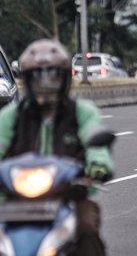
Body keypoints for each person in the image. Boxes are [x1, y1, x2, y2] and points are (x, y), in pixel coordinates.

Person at [0, 39, 114, 255]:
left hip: (68, 197)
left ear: (65, 79)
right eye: (38, 76)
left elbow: (95, 143)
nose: (46, 83)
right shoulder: (10, 116)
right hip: (12, 200)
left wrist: (98, 165)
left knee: (87, 229)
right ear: (27, 79)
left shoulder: (83, 112)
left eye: (53, 76)